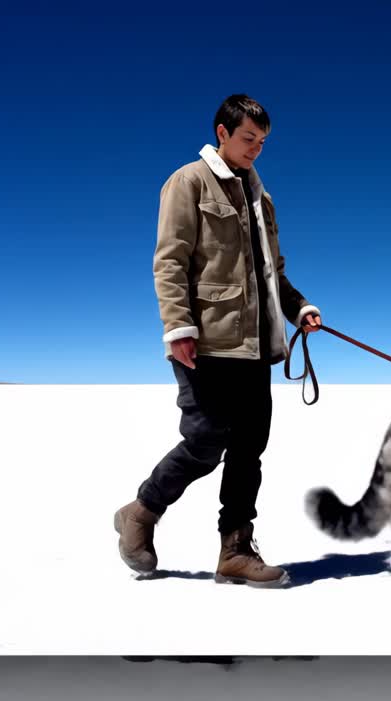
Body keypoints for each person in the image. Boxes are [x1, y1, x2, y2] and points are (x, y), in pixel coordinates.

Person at [114, 94, 322, 587]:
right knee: (207, 440)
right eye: (249, 138)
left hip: (254, 346)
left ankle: (235, 550)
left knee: (249, 448)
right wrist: (178, 327)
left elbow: (273, 274)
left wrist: (299, 308)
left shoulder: (260, 197)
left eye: (263, 141)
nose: (257, 148)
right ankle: (141, 512)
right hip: (204, 341)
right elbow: (170, 260)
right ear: (223, 132)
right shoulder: (188, 181)